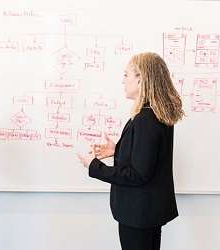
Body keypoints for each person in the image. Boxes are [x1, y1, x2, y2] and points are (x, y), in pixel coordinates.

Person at [76, 52, 184, 250]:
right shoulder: (158, 113)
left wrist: (95, 166)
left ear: (140, 79)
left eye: (126, 75)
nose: (123, 80)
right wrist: (118, 150)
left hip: (138, 215)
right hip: (149, 211)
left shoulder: (146, 118)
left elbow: (138, 174)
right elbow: (150, 157)